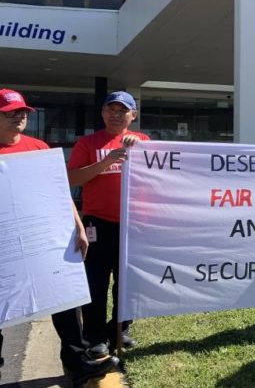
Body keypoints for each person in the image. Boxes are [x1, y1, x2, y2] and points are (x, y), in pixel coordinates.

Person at [0, 89, 118, 384]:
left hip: (41, 237)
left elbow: (58, 192)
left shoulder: (38, 147)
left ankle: (76, 362)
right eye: (12, 112)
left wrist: (77, 225)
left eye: (24, 112)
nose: (20, 117)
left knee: (62, 298)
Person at [67, 91, 149, 356]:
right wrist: (105, 162)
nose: (116, 115)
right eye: (111, 110)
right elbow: (72, 179)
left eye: (122, 111)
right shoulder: (87, 143)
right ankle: (95, 335)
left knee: (127, 282)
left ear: (132, 116)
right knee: (96, 281)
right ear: (102, 113)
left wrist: (137, 148)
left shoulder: (144, 142)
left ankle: (120, 330)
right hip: (98, 223)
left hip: (134, 224)